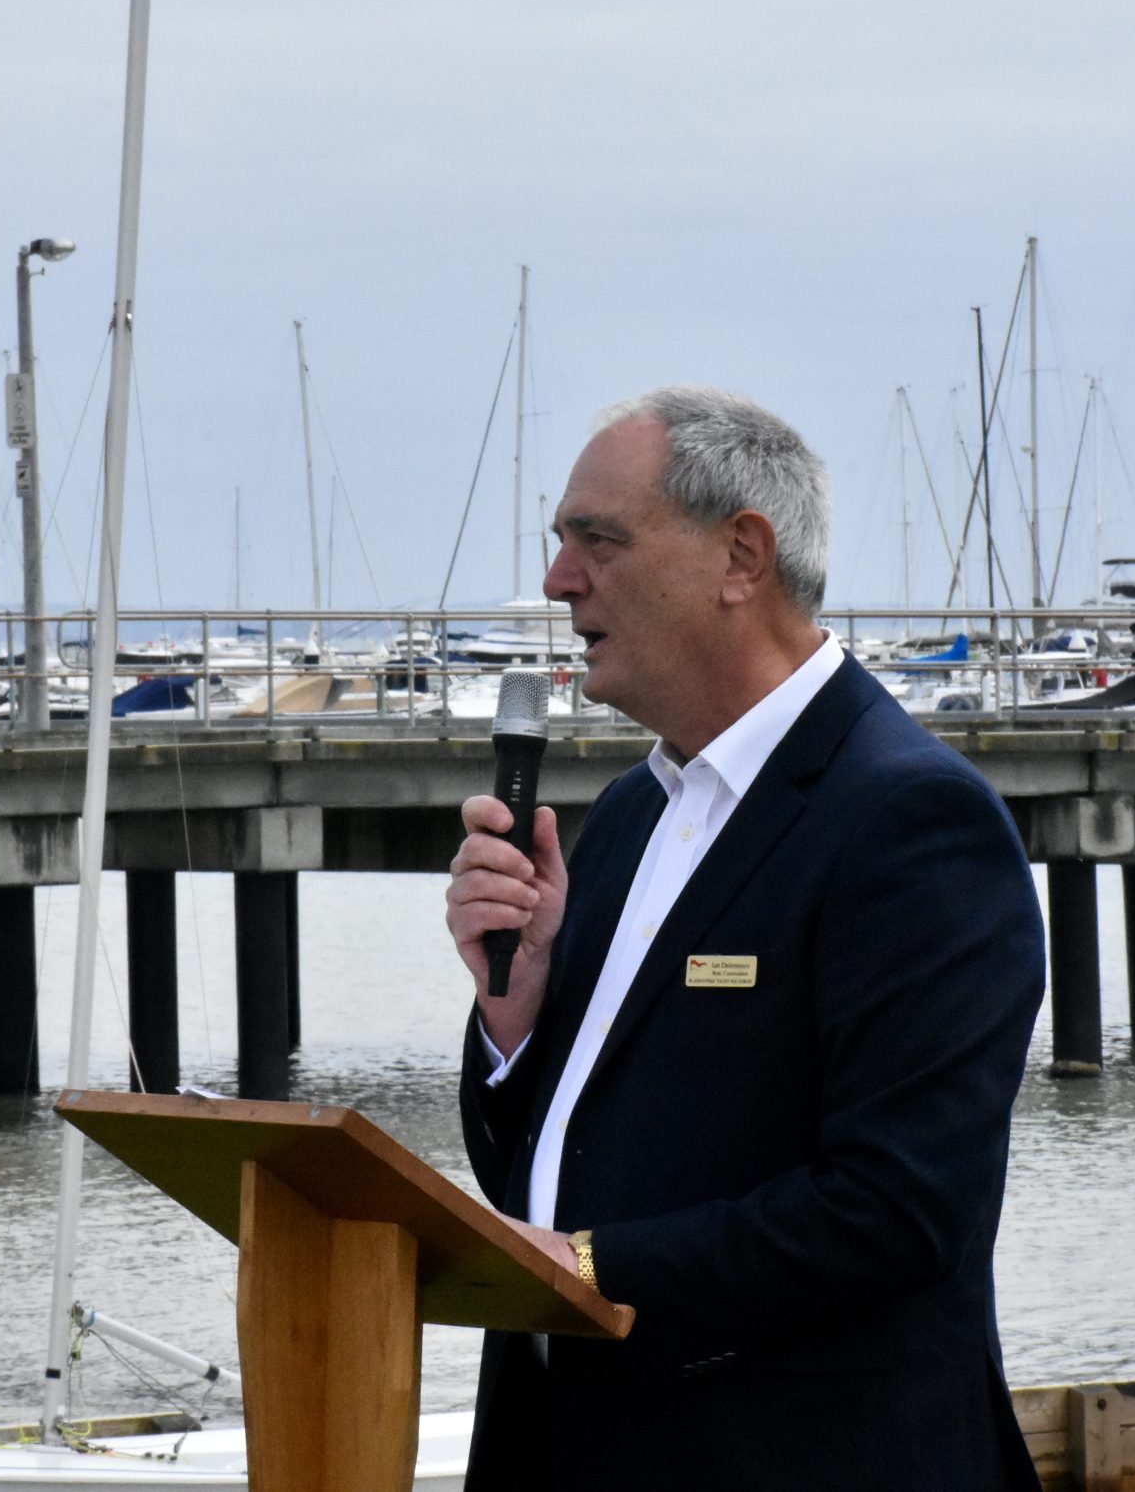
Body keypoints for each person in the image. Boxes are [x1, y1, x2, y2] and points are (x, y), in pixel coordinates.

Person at [445, 387, 1046, 1491]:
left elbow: (898, 1211)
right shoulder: (631, 814)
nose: (559, 579)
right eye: (561, 543)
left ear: (740, 557)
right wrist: (514, 1020)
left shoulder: (910, 821)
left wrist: (585, 1266)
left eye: (597, 540)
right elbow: (543, 1175)